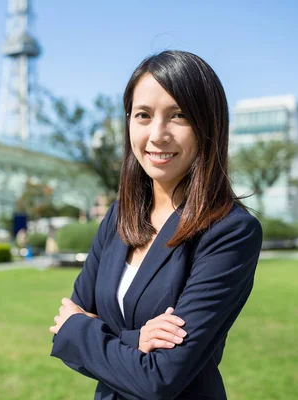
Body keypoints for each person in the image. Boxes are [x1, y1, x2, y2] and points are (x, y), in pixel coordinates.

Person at [49, 50, 262, 400]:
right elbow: (64, 328)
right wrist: (135, 339)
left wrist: (85, 331)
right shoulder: (120, 216)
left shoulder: (229, 232)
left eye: (178, 116)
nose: (157, 134)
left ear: (208, 126)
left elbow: (159, 379)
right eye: (143, 115)